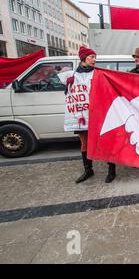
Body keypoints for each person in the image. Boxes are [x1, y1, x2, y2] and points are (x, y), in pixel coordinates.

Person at [58, 47, 117, 184]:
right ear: (83, 58)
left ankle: (112, 170)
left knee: (105, 141)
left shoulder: (99, 74)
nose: (94, 59)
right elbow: (69, 94)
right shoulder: (71, 76)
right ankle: (88, 170)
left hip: (98, 115)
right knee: (85, 144)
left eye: (95, 57)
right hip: (82, 116)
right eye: (91, 57)